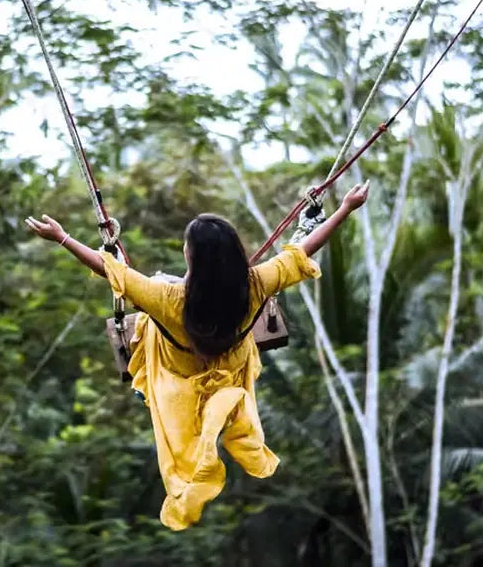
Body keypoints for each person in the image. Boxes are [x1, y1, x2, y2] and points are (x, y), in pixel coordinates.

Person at [25, 181, 370, 530]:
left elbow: (111, 270)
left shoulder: (166, 300)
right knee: (163, 284)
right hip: (229, 368)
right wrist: (346, 208)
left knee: (155, 292)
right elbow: (303, 250)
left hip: (178, 377)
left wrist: (63, 238)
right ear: (235, 253)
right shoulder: (254, 284)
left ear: (191, 256)